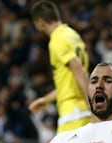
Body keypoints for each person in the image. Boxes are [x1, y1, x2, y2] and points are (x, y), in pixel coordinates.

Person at [28, 0, 91, 133]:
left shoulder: (57, 40)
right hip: (80, 110)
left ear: (40, 22)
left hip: (73, 112)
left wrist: (91, 104)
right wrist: (46, 100)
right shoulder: (73, 35)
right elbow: (71, 79)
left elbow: (78, 70)